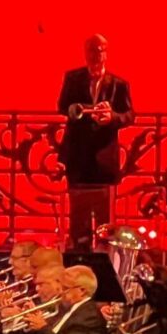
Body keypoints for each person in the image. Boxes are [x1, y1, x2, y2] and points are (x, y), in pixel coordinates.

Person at [57, 34, 134, 248]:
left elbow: (129, 115)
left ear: (106, 54)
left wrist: (112, 118)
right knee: (78, 223)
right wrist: (78, 109)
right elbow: (63, 105)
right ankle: (79, 265)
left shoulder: (119, 84)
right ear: (86, 54)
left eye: (100, 51)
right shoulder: (73, 78)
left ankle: (104, 267)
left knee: (105, 225)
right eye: (92, 51)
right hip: (78, 161)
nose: (96, 56)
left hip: (104, 163)